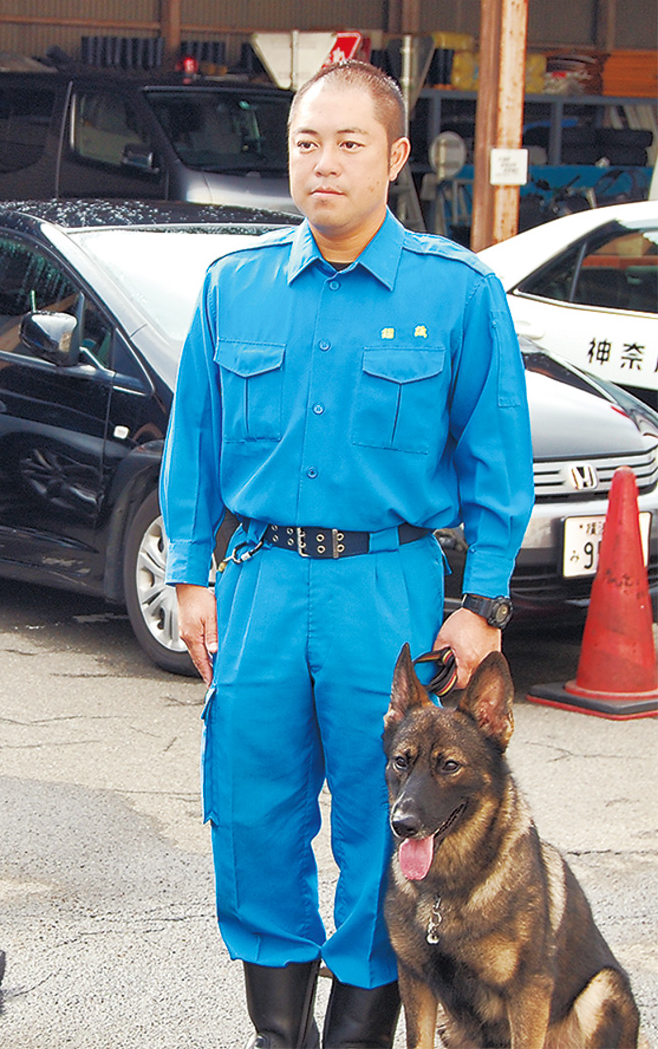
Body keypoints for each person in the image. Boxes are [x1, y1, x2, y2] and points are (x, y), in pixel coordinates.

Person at [159, 60, 533, 1049]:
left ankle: (357, 1032)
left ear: (397, 156)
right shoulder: (233, 290)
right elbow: (192, 442)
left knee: (391, 820)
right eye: (306, 144)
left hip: (388, 584)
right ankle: (280, 1034)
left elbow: (499, 461)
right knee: (252, 809)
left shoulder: (455, 294)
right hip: (263, 584)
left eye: (349, 144)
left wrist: (482, 602)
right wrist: (189, 572)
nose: (324, 164)